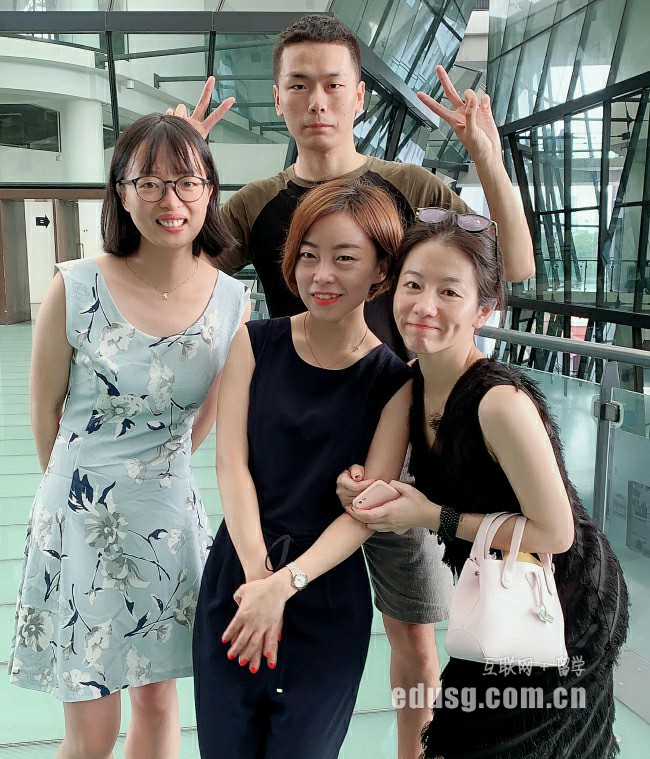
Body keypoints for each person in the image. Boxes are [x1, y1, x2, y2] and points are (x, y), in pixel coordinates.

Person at [171, 14, 535, 754]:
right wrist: (185, 168)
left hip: (400, 454)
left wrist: (486, 160)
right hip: (297, 454)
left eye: (334, 84)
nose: (317, 101)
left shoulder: (410, 188)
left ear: (361, 95)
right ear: (277, 96)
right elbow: (179, 277)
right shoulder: (257, 203)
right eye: (299, 84)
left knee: (417, 642)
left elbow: (514, 265)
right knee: (279, 617)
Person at [338, 210, 629, 758]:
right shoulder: (411, 386)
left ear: (483, 310)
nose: (424, 306)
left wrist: (431, 516)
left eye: (449, 292)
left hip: (560, 602)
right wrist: (354, 487)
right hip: (497, 594)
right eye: (413, 285)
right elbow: (377, 489)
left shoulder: (499, 402)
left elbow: (556, 533)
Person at [8, 114, 250, 759]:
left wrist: (154, 475)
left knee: (158, 698)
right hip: (79, 516)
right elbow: (45, 413)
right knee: (91, 722)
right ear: (121, 191)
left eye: (187, 182)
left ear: (209, 191)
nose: (171, 200)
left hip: (167, 517)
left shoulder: (232, 302)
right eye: (150, 182)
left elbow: (205, 419)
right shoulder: (75, 286)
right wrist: (80, 497)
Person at [192, 178, 413, 759]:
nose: (322, 275)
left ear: (381, 271)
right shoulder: (254, 342)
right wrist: (258, 582)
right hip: (239, 578)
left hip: (324, 590)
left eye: (345, 258)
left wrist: (284, 585)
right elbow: (231, 465)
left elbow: (365, 513)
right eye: (309, 256)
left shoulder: (392, 381)